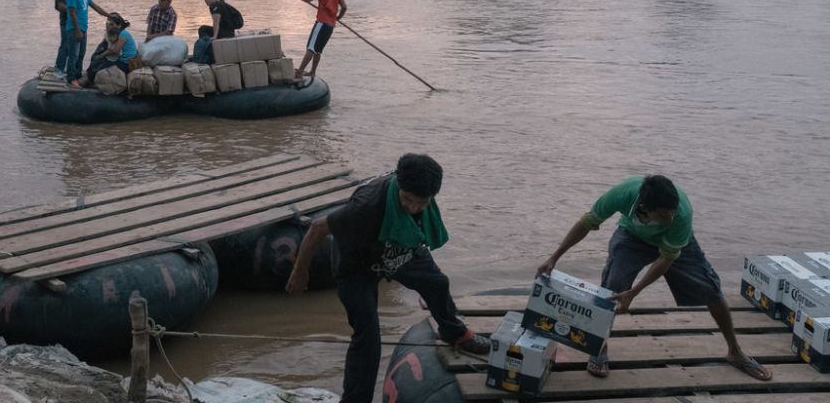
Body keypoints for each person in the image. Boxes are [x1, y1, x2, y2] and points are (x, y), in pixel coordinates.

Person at [286, 154, 490, 403]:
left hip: (399, 248)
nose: (413, 207)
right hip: (357, 267)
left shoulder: (420, 198)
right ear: (398, 186)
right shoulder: (366, 206)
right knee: (368, 339)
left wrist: (416, 209)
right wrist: (300, 271)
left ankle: (454, 332)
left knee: (437, 282)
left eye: (421, 203)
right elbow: (317, 228)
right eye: (407, 200)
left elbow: (416, 210)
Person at [535, 175, 773, 381]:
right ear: (643, 206)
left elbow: (666, 258)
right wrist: (554, 258)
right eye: (662, 215)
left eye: (671, 213)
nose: (668, 218)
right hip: (632, 237)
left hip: (677, 245)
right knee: (611, 289)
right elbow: (588, 222)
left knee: (711, 289)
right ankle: (599, 347)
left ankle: (735, 351)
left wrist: (635, 292)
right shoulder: (622, 194)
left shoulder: (681, 214)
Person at [284, 0, 346, 78]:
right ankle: (312, 72)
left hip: (321, 23)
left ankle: (299, 72)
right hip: (330, 26)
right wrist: (337, 18)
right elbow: (344, 7)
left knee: (311, 48)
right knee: (318, 50)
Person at [63, 0, 114, 84]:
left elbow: (96, 7)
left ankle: (78, 75)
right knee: (74, 55)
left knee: (81, 54)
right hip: (74, 29)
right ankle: (71, 79)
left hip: (84, 29)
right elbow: (72, 14)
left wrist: (110, 16)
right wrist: (77, 31)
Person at [73, 15, 137, 88]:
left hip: (125, 63)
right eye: (109, 24)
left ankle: (83, 82)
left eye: (112, 25)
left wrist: (103, 54)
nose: (110, 26)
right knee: (97, 62)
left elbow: (115, 51)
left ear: (119, 26)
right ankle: (85, 80)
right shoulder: (117, 34)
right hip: (122, 60)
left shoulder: (123, 34)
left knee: (100, 64)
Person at [52, 0, 79, 80]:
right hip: (66, 22)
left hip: (76, 23)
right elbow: (60, 5)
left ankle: (71, 70)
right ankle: (58, 69)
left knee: (74, 48)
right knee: (65, 46)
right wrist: (72, 10)